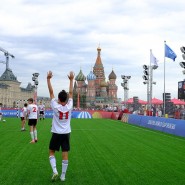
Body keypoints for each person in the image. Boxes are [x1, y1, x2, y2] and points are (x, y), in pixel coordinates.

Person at [47, 70, 74, 182]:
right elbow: (71, 93)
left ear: (58, 99)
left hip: (56, 133)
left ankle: (55, 171)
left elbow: (51, 92)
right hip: (66, 133)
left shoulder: (55, 106)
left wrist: (48, 79)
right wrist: (71, 80)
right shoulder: (70, 105)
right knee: (65, 153)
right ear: (66, 99)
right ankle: (63, 176)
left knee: (51, 152)